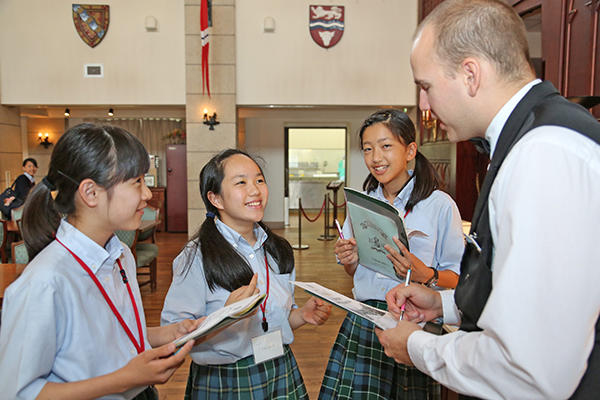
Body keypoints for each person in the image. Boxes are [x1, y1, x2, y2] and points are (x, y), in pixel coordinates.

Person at [375, 1, 600, 398]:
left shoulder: (544, 153)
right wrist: (445, 304)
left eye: (425, 86)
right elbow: (524, 293)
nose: (424, 106)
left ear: (470, 74)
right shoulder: (528, 139)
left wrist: (416, 347)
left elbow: (530, 367)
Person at [0, 123, 203, 399]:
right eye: (137, 182)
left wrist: (170, 333)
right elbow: (18, 392)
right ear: (90, 193)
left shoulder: (121, 254)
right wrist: (122, 381)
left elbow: (116, 336)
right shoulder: (44, 283)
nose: (146, 194)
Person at [161, 149, 332, 399]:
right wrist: (226, 315)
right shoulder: (196, 256)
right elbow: (175, 336)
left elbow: (274, 322)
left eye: (259, 180)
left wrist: (301, 315)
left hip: (279, 367)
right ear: (216, 199)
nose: (255, 190)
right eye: (241, 182)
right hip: (226, 380)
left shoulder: (278, 250)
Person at [319, 109, 464, 399]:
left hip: (414, 323)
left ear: (410, 150)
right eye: (368, 149)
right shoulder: (363, 203)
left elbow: (459, 279)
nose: (376, 158)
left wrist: (426, 275)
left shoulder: (439, 205)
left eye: (386, 146)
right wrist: (350, 259)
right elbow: (354, 271)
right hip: (365, 320)